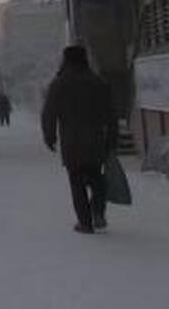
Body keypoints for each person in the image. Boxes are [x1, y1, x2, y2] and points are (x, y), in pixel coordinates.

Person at [41, 45, 119, 234]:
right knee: (96, 178)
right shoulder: (97, 82)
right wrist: (112, 138)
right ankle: (98, 212)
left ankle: (85, 223)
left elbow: (48, 113)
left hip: (72, 142)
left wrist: (49, 136)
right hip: (96, 141)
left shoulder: (59, 83)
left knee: (76, 181)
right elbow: (111, 114)